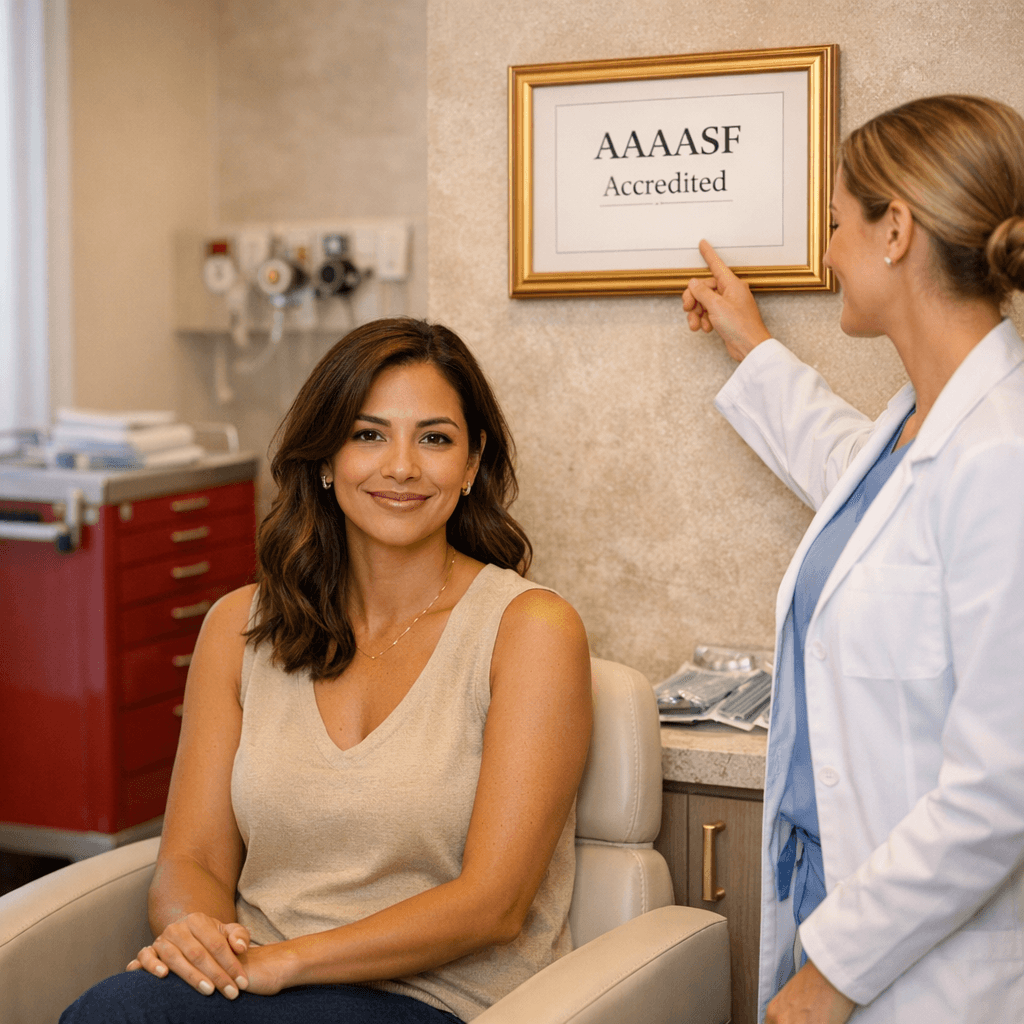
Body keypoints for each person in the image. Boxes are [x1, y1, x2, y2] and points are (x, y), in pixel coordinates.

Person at [61, 318, 592, 1024]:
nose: (401, 466)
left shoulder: (531, 631)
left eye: (435, 439)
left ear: (471, 465)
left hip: (432, 1001)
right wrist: (201, 937)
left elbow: (493, 904)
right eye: (368, 434)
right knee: (110, 1012)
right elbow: (194, 861)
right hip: (253, 982)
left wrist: (285, 963)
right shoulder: (238, 627)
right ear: (324, 459)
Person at [682, 95, 1024, 1024]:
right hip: (836, 906)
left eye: (837, 224)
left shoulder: (1003, 453)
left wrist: (828, 978)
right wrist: (750, 343)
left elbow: (1001, 787)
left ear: (896, 230)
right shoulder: (923, 424)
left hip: (928, 972)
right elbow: (856, 483)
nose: (830, 252)